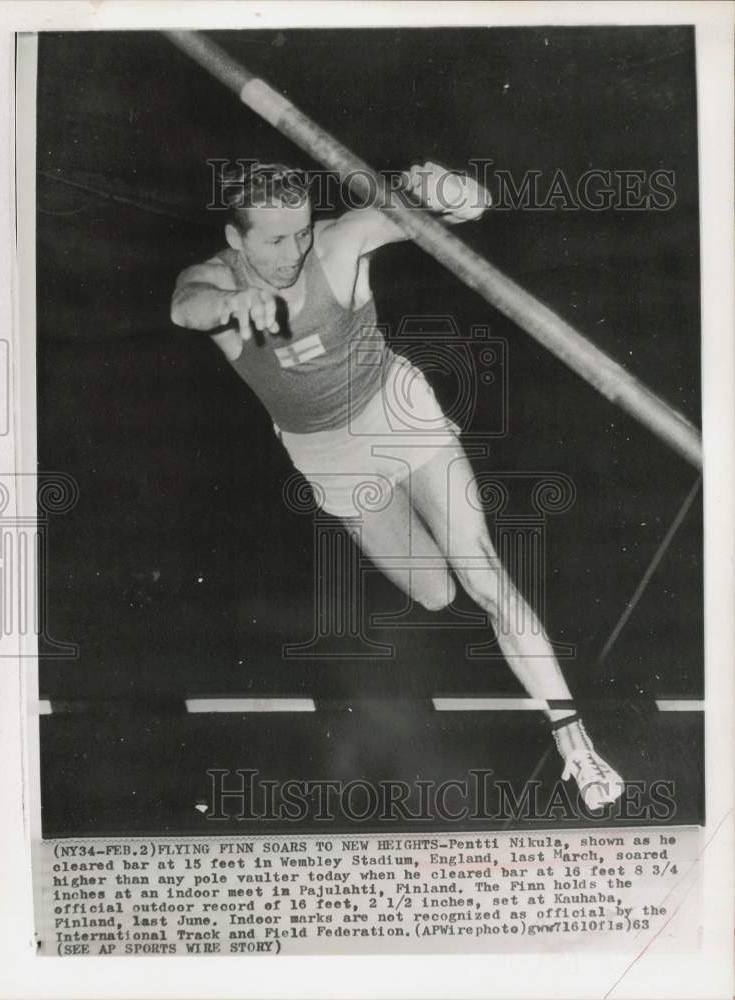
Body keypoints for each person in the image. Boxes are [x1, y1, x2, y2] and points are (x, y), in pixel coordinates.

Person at [170, 161, 624, 812]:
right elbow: (186, 306)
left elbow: (466, 211)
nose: (294, 252)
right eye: (274, 241)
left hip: (395, 408)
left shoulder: (341, 243)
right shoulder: (213, 279)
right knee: (435, 592)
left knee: (485, 575)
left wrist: (455, 192)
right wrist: (229, 305)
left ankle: (575, 745)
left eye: (300, 233)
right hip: (327, 453)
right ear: (235, 240)